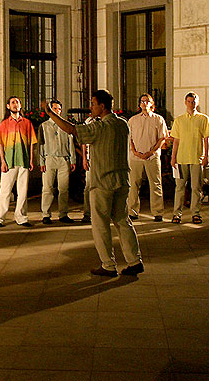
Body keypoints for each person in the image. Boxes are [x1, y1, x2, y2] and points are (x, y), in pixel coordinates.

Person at [45, 90, 143, 277]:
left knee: (100, 224)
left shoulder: (100, 127)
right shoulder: (122, 124)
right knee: (123, 220)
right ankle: (134, 260)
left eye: (93, 103)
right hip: (122, 180)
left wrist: (51, 114)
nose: (91, 107)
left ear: (102, 106)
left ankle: (108, 264)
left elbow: (72, 129)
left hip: (103, 181)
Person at [170, 92, 209, 224]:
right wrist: (173, 157)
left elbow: (207, 139)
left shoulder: (203, 119)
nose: (191, 104)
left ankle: (196, 213)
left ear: (197, 103)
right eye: (189, 101)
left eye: (194, 101)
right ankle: (177, 213)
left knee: (196, 187)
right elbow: (176, 140)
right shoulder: (179, 120)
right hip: (181, 158)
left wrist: (206, 156)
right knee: (180, 187)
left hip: (196, 158)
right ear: (185, 102)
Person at [0, 96, 37, 228]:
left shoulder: (27, 123)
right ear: (8, 106)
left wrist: (30, 160)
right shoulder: (4, 124)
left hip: (23, 161)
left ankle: (21, 217)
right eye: (12, 102)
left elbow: (31, 143)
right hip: (9, 161)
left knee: (23, 190)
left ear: (20, 105)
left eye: (17, 102)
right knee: (5, 190)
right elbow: (0, 143)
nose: (15, 104)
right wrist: (2, 161)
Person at [126, 93, 168, 222]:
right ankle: (132, 211)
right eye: (142, 101)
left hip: (152, 157)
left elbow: (162, 138)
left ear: (152, 104)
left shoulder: (158, 119)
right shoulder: (133, 120)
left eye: (147, 101)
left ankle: (157, 212)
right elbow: (129, 138)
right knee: (133, 185)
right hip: (135, 157)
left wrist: (152, 151)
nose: (144, 103)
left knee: (155, 184)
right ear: (139, 104)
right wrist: (135, 151)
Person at [38, 99, 75, 224]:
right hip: (49, 158)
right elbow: (41, 145)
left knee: (64, 188)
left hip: (64, 159)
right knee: (47, 187)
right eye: (54, 108)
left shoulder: (66, 125)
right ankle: (46, 214)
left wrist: (72, 159)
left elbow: (71, 143)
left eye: (58, 109)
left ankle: (63, 213)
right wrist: (42, 161)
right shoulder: (44, 126)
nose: (57, 111)